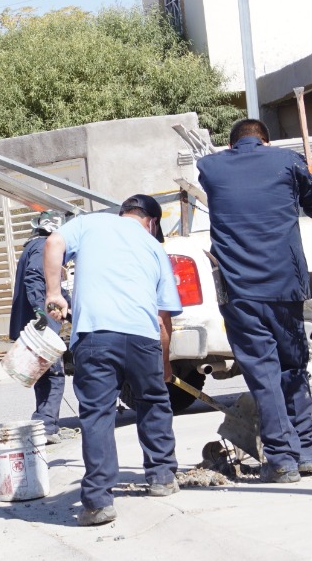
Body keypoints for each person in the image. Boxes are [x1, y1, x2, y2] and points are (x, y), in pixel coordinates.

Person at [196, 118, 312, 484]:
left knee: (264, 374)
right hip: (285, 288)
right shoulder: (287, 162)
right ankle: (307, 452)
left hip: (239, 293)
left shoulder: (209, 167)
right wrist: (309, 172)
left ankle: (283, 461)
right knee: (293, 367)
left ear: (231, 145)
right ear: (267, 142)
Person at [44, 194, 182, 527]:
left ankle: (98, 502)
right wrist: (164, 364)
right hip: (143, 338)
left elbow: (54, 241)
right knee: (152, 401)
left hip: (95, 335)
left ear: (124, 213)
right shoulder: (155, 249)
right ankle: (161, 476)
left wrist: (53, 292)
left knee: (97, 415)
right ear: (151, 222)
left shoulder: (92, 223)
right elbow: (164, 319)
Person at [8, 210, 71, 444]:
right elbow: (35, 280)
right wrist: (42, 315)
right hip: (41, 324)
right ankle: (46, 427)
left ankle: (45, 424)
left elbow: (49, 286)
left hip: (36, 321)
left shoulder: (32, 247)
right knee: (54, 374)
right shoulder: (43, 247)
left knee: (45, 374)